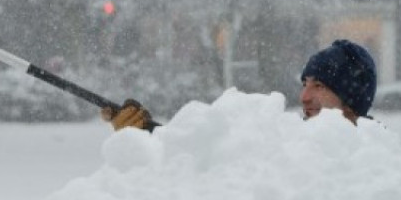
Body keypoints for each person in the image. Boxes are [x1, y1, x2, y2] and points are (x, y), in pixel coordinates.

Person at [101, 38, 377, 131]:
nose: (304, 96)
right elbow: (222, 172)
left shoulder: (379, 171)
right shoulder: (288, 143)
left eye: (319, 86)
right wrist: (148, 134)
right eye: (305, 84)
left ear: (350, 97)